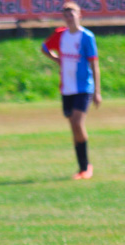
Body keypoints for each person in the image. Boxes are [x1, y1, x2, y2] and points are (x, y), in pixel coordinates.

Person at [41, 2, 102, 180]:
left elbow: (94, 64)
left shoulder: (86, 37)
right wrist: (57, 59)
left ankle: (86, 167)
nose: (69, 17)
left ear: (79, 15)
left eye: (72, 14)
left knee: (77, 123)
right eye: (66, 15)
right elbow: (44, 48)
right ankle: (82, 167)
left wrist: (97, 91)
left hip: (84, 87)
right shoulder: (61, 34)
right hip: (66, 87)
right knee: (73, 128)